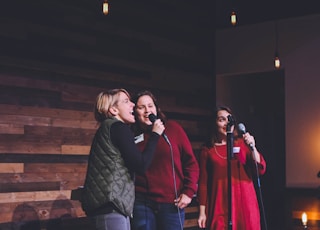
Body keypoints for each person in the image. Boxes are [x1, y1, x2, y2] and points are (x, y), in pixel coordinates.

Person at [80, 89, 165, 230]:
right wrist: (155, 135)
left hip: (108, 205)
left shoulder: (108, 127)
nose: (132, 105)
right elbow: (141, 165)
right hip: (111, 205)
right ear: (113, 109)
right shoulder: (118, 127)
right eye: (126, 101)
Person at [130, 90, 199, 230]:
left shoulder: (173, 129)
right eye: (141, 107)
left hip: (172, 202)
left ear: (156, 108)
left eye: (150, 106)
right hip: (142, 202)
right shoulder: (131, 135)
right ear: (135, 111)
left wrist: (188, 192)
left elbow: (191, 164)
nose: (147, 111)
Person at [197, 105, 267, 230]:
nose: (226, 123)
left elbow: (260, 169)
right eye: (221, 119)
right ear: (214, 123)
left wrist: (253, 147)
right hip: (219, 205)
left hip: (244, 204)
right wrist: (202, 212)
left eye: (229, 119)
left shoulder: (242, 144)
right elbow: (203, 183)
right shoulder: (208, 150)